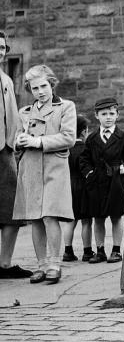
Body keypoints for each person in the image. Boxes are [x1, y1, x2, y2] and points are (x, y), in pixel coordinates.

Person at [13, 64, 76, 285]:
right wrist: (19, 142)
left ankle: (54, 264)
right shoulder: (25, 112)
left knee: (50, 215)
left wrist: (37, 141)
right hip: (30, 168)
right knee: (35, 218)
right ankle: (40, 266)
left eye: (43, 86)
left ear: (52, 84)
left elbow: (68, 137)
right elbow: (16, 140)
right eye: (34, 88)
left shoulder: (66, 107)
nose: (40, 91)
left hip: (54, 168)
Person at [80, 98, 124, 264]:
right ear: (97, 116)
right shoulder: (91, 139)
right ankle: (100, 250)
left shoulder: (122, 137)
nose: (108, 117)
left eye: (112, 113)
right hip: (96, 182)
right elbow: (84, 160)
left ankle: (116, 250)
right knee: (98, 218)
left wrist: (122, 168)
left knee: (116, 216)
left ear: (117, 115)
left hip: (115, 183)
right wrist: (89, 173)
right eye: (104, 114)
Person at [0, 32, 33, 280]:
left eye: (3, 47)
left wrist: (17, 140)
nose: (0, 51)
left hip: (6, 152)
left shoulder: (7, 80)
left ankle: (5, 264)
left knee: (12, 210)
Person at [61, 114, 94, 262]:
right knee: (86, 221)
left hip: (68, 187)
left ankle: (68, 251)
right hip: (84, 188)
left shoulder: (65, 149)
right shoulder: (87, 149)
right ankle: (87, 252)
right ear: (83, 131)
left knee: (70, 221)